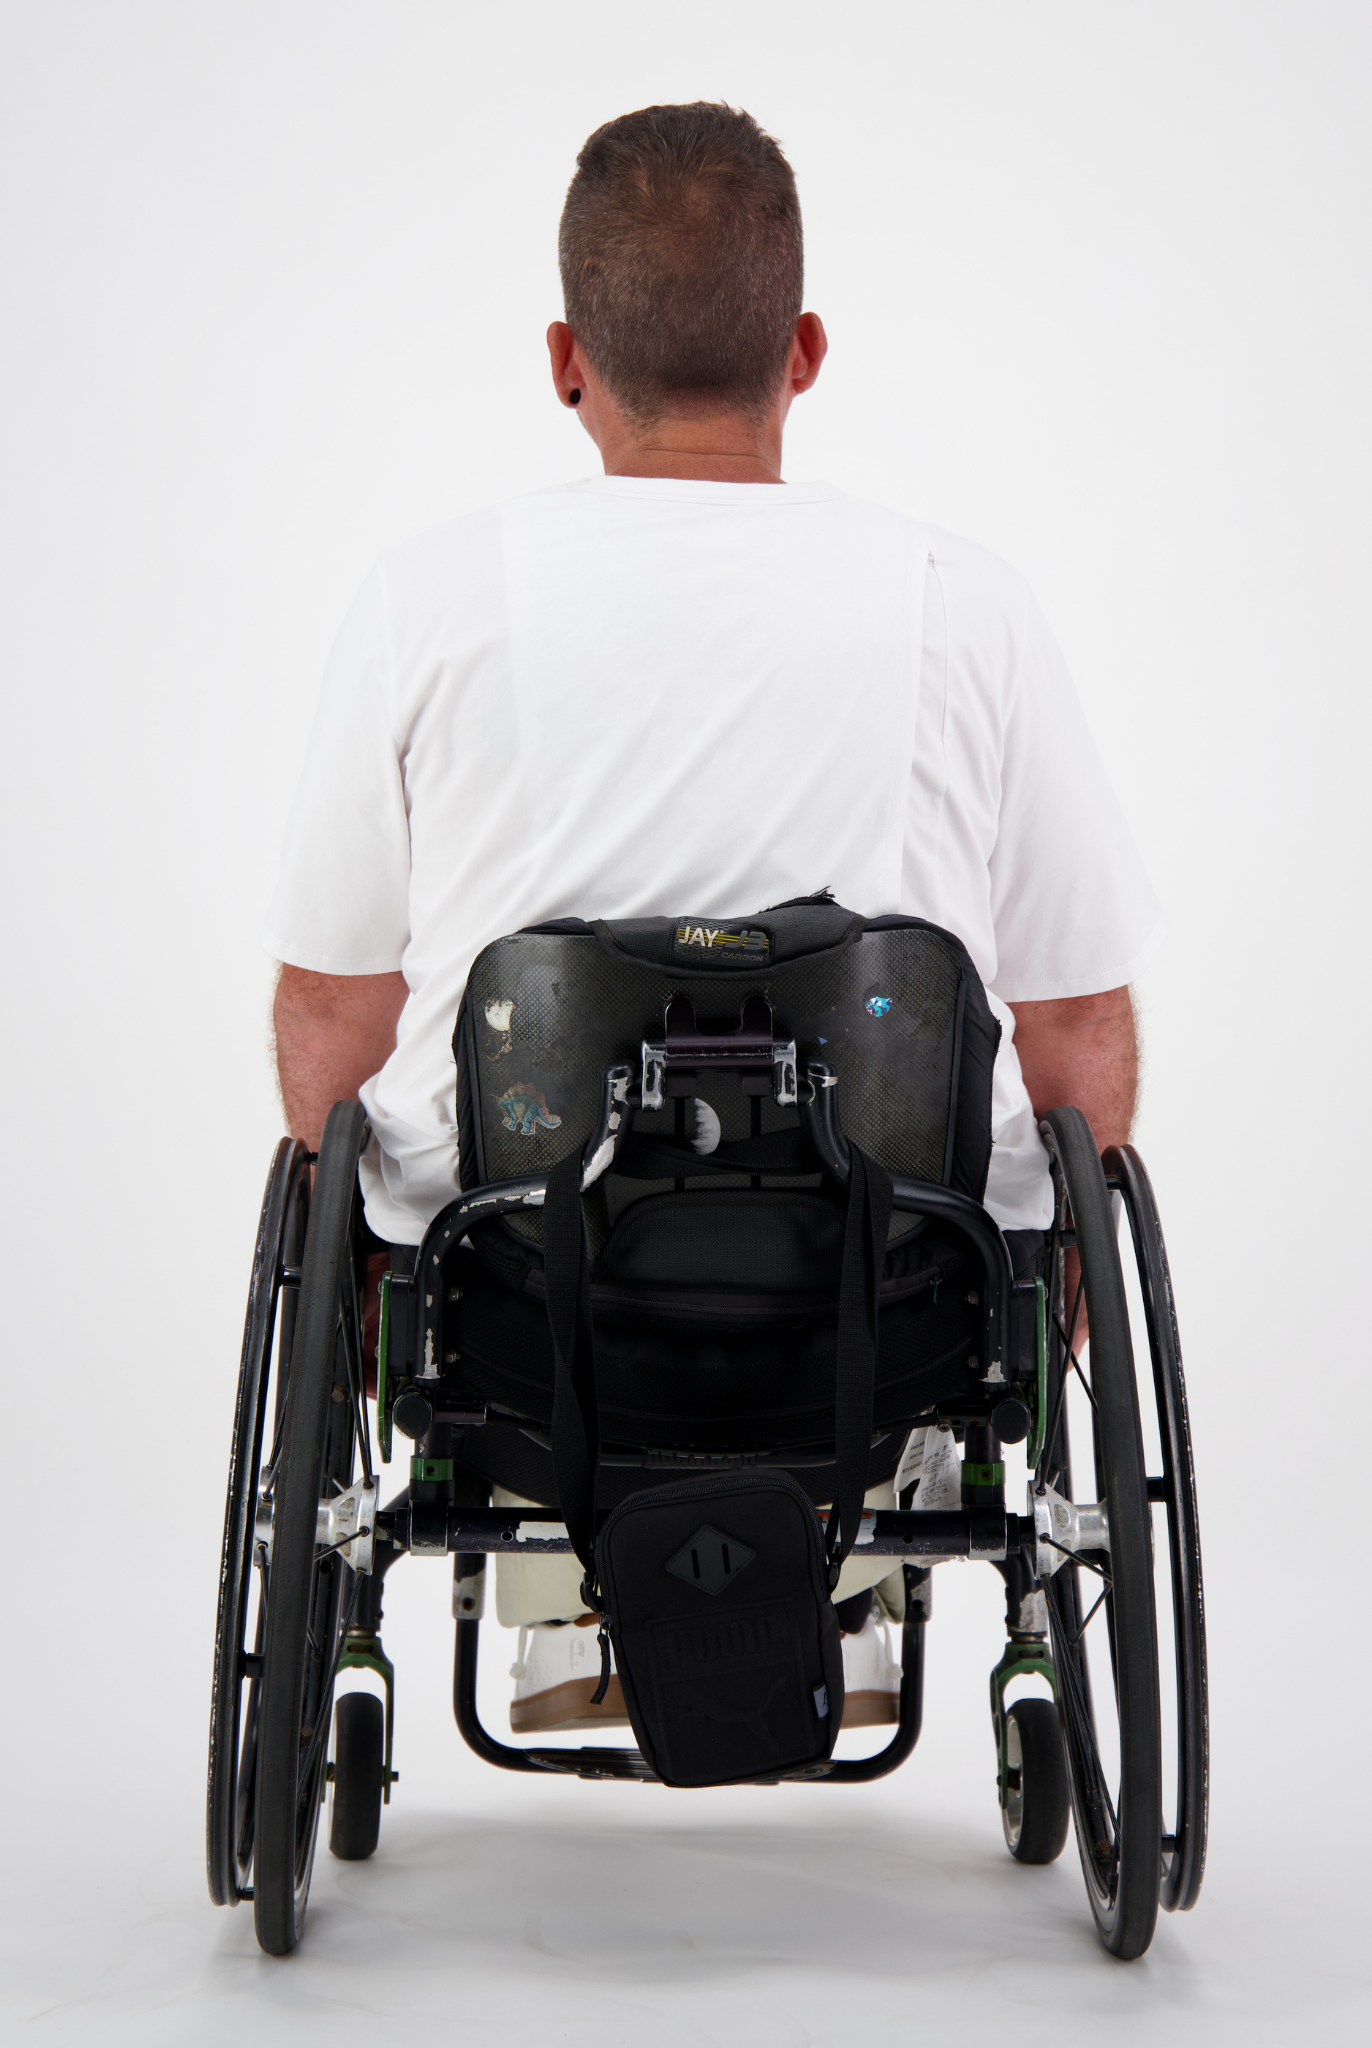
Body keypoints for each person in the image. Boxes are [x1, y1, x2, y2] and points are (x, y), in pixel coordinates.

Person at [264, 102, 1162, 1732]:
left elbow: (331, 1008)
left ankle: (571, 1603)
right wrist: (1049, 1324)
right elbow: (1080, 1030)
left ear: (563, 356)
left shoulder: (429, 601)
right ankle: (852, 1561)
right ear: (804, 349)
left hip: (517, 1320)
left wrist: (358, 1317)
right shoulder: (967, 605)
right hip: (895, 1319)